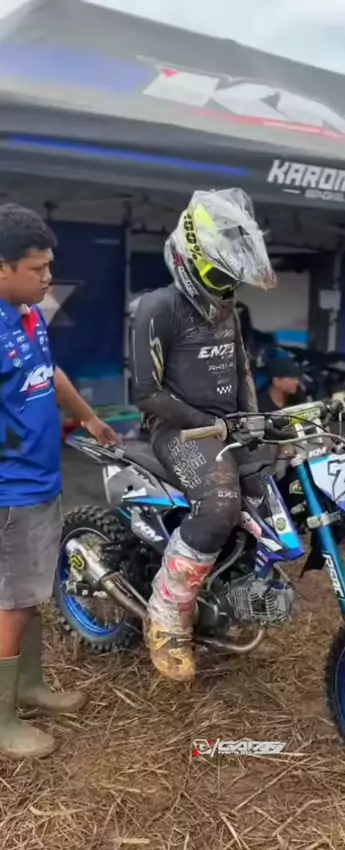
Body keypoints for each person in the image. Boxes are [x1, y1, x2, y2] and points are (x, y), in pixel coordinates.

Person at [131, 187, 276, 683]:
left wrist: (253, 421)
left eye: (232, 280)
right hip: (174, 430)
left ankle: (234, 590)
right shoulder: (157, 307)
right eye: (218, 277)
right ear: (187, 261)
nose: (225, 289)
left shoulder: (227, 311)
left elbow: (241, 370)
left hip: (226, 427)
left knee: (278, 490)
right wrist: (209, 423)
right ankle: (166, 615)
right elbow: (145, 393)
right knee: (218, 506)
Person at [0, 203, 119, 760]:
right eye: (37, 267)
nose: (49, 277)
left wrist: (87, 416)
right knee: (13, 601)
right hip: (11, 490)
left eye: (50, 265)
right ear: (2, 267)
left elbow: (51, 373)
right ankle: (2, 720)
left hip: (40, 479)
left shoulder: (27, 315)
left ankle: (29, 686)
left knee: (30, 594)